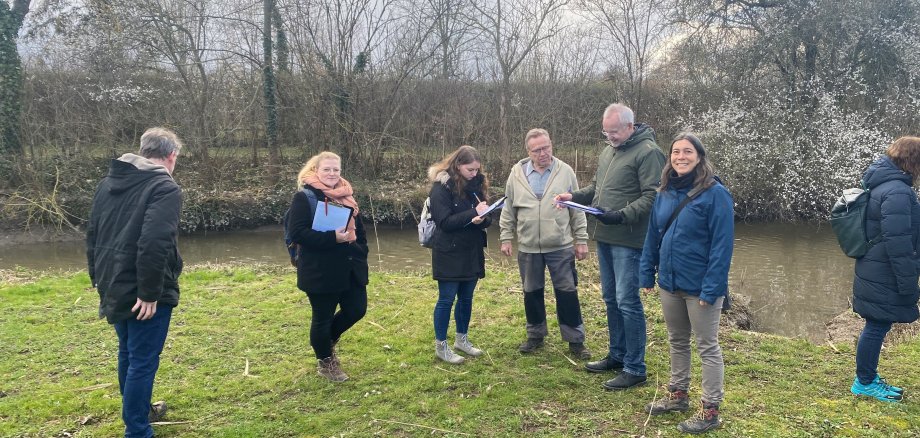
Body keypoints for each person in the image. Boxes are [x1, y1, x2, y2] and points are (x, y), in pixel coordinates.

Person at [555, 103, 665, 390]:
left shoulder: (649, 152)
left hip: (629, 240)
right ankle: (617, 355)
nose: (610, 137)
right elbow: (596, 189)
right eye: (606, 132)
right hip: (605, 235)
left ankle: (635, 367)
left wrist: (621, 215)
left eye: (614, 132)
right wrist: (572, 196)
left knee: (627, 302)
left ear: (630, 126)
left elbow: (653, 197)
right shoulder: (608, 151)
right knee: (611, 299)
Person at [86, 127, 184, 438]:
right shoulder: (164, 187)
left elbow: (93, 233)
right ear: (171, 156)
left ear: (144, 151)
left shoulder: (109, 182)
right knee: (142, 359)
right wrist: (150, 293)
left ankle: (139, 413)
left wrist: (97, 277)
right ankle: (138, 429)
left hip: (112, 281)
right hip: (143, 288)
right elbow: (155, 242)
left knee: (129, 352)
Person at [638, 133, 734, 434]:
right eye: (676, 152)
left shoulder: (716, 194)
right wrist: (646, 273)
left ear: (699, 156)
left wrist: (712, 288)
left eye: (688, 151)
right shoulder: (664, 191)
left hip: (700, 287)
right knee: (677, 340)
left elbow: (722, 246)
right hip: (669, 282)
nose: (681, 156)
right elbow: (653, 235)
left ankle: (710, 411)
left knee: (707, 346)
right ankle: (678, 396)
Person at [499, 128, 591, 359]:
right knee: (531, 292)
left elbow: (577, 208)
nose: (543, 153)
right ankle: (535, 335)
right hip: (528, 246)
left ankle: (575, 340)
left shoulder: (565, 171)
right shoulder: (516, 174)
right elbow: (508, 208)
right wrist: (506, 237)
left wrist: (581, 239)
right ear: (528, 151)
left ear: (551, 144)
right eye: (537, 150)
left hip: (560, 245)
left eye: (546, 147)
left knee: (567, 293)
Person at [288, 151, 369, 382]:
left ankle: (323, 341)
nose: (332, 173)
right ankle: (325, 360)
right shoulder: (304, 197)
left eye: (336, 169)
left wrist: (362, 249)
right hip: (320, 269)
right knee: (322, 318)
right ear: (316, 170)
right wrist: (333, 238)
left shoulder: (347, 195)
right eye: (327, 169)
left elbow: (360, 230)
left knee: (357, 309)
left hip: (351, 266)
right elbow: (298, 233)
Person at [850, 136, 920, 402]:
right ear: (913, 161)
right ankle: (864, 382)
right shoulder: (897, 191)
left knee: (877, 324)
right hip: (885, 271)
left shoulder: (881, 184)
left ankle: (868, 377)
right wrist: (908, 282)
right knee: (876, 326)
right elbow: (898, 242)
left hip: (875, 266)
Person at [428, 145, 492, 364]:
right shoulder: (440, 188)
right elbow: (444, 222)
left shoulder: (477, 185)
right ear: (457, 166)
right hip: (448, 252)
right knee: (446, 300)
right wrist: (473, 213)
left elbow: (487, 216)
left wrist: (483, 218)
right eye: (469, 170)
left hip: (472, 251)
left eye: (476, 169)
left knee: (466, 298)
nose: (474, 174)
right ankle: (441, 346)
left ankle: (461, 340)